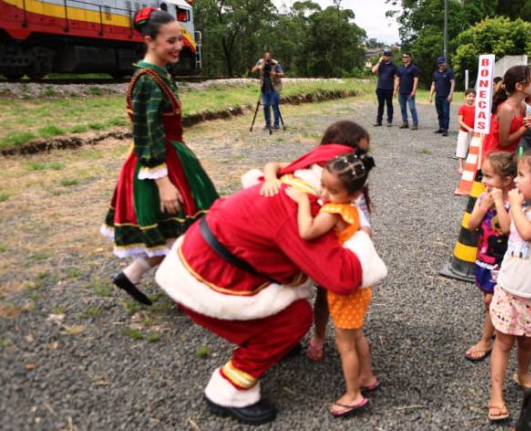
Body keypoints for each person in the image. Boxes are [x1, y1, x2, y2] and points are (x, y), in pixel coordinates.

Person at [154, 131, 388, 425]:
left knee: (287, 304)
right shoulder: (304, 205)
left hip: (201, 259)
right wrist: (361, 240)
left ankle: (270, 342)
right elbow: (342, 277)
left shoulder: (292, 181)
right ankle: (230, 389)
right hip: (210, 280)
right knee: (295, 318)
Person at [102, 8, 218, 306]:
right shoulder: (147, 80)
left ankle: (131, 275)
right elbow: (146, 133)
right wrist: (163, 182)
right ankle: (184, 291)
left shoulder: (158, 74)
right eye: (171, 40)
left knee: (175, 228)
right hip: (158, 162)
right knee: (186, 228)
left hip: (171, 156)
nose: (179, 46)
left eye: (180, 39)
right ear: (150, 41)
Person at [258, 121, 373, 363]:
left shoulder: (351, 182)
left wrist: (362, 234)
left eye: (364, 153)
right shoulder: (317, 168)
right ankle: (283, 335)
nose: (361, 158)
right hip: (306, 240)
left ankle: (318, 337)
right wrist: (270, 179)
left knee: (323, 293)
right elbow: (273, 165)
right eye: (358, 151)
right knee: (288, 287)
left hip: (329, 244)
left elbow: (359, 215)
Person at [286, 153, 380, 417]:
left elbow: (307, 231)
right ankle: (367, 376)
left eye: (333, 190)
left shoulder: (333, 211)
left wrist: (301, 201)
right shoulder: (351, 208)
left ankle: (353, 394)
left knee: (344, 344)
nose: (325, 194)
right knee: (356, 335)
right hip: (357, 286)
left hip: (345, 290)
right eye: (323, 186)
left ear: (354, 193)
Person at [487, 149, 531, 422]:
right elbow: (506, 227)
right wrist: (501, 202)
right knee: (503, 341)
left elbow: (527, 232)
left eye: (522, 175)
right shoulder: (524, 205)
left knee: (527, 340)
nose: (515, 181)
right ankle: (496, 393)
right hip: (508, 285)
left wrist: (513, 204)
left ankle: (523, 373)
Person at [464, 152, 516, 363]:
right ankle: (496, 322)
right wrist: (484, 205)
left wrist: (499, 202)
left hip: (503, 261)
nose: (484, 181)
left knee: (491, 299)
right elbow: (471, 225)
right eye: (483, 175)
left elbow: (506, 228)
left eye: (489, 176)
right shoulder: (483, 198)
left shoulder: (514, 202)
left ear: (507, 180)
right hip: (484, 257)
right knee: (489, 296)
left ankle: (485, 340)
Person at [483, 65, 531, 158]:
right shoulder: (507, 109)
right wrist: (525, 127)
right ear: (519, 86)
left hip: (508, 157)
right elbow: (504, 142)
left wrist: (529, 121)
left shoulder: (522, 105)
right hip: (496, 159)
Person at [251, 52, 285, 131]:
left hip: (275, 88)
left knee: (274, 106)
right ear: (263, 58)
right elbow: (252, 70)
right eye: (266, 59)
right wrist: (259, 67)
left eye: (268, 59)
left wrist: (275, 74)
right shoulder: (260, 62)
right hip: (264, 88)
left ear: (271, 58)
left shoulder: (275, 64)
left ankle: (276, 125)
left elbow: (283, 74)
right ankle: (268, 124)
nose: (267, 61)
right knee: (266, 106)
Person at [429, 57, 455, 136]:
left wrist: (451, 94)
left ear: (445, 63)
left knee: (445, 113)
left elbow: (453, 83)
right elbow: (433, 84)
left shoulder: (449, 72)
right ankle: (441, 128)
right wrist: (430, 95)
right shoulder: (435, 73)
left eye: (442, 63)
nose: (441, 64)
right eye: (439, 63)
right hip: (438, 96)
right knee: (440, 113)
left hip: (446, 96)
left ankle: (445, 129)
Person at [372, 50, 398, 127]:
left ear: (390, 57)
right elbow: (373, 70)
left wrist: (395, 89)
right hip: (380, 88)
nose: (386, 57)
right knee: (380, 104)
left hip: (389, 88)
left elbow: (396, 78)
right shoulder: (380, 64)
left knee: (389, 104)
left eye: (388, 55)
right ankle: (378, 121)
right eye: (385, 55)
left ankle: (389, 121)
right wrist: (379, 62)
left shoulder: (394, 66)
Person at [394, 52, 419, 130]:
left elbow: (416, 80)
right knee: (403, 108)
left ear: (410, 58)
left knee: (412, 108)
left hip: (410, 92)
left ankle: (415, 124)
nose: (404, 58)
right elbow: (397, 79)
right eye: (403, 57)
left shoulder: (414, 68)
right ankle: (405, 123)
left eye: (406, 57)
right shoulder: (400, 68)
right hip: (401, 92)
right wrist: (395, 89)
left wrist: (414, 90)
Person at [456, 89, 476, 173]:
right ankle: (460, 167)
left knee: (472, 149)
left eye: (473, 96)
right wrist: (468, 128)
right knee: (462, 148)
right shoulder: (462, 108)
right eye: (469, 96)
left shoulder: (476, 108)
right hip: (464, 132)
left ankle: (469, 166)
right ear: (465, 97)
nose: (471, 98)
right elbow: (460, 121)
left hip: (473, 132)